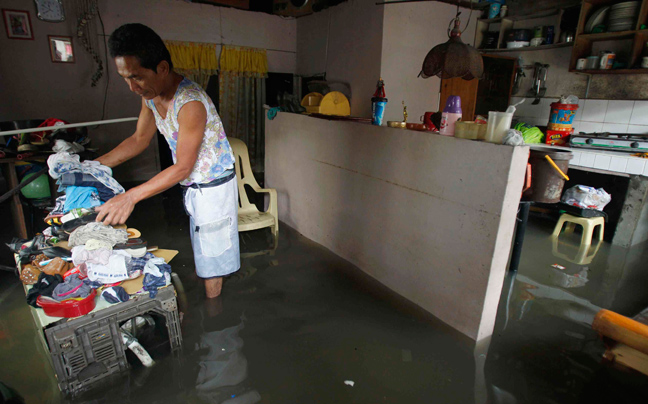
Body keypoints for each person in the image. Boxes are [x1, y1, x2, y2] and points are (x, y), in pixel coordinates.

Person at [95, 23, 239, 298]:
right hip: (192, 183)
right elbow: (139, 139)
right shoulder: (150, 96)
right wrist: (94, 166)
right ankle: (210, 296)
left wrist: (130, 196)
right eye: (125, 78)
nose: (131, 87)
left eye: (136, 77)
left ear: (162, 68)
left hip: (212, 188)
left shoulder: (190, 103)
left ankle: (217, 324)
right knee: (204, 246)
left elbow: (183, 165)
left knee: (213, 256)